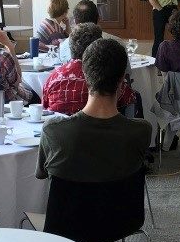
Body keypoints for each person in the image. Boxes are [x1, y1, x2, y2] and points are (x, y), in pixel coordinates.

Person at [36, 37, 152, 199]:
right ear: (121, 81)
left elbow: (41, 174)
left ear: (85, 75)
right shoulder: (142, 131)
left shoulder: (53, 130)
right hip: (123, 222)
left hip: (66, 222)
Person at [42, 23, 135, 115]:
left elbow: (44, 109)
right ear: (98, 47)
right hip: (102, 128)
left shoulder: (53, 78)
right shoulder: (105, 76)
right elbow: (128, 99)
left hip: (59, 129)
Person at [57, 0, 123, 63]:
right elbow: (127, 73)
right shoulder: (118, 43)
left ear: (74, 21)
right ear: (98, 18)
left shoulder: (63, 46)